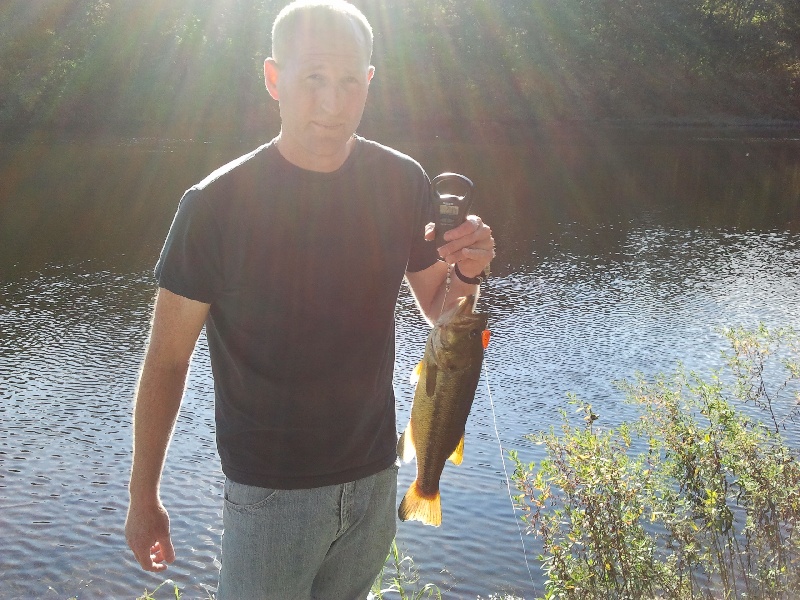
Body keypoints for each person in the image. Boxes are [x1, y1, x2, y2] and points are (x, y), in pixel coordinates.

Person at [124, 1, 495, 598]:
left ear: (369, 82)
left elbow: (439, 306)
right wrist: (144, 497)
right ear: (274, 79)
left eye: (350, 81)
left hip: (376, 476)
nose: (333, 102)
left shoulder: (402, 182)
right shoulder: (215, 205)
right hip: (270, 494)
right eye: (313, 79)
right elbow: (166, 361)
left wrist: (470, 272)